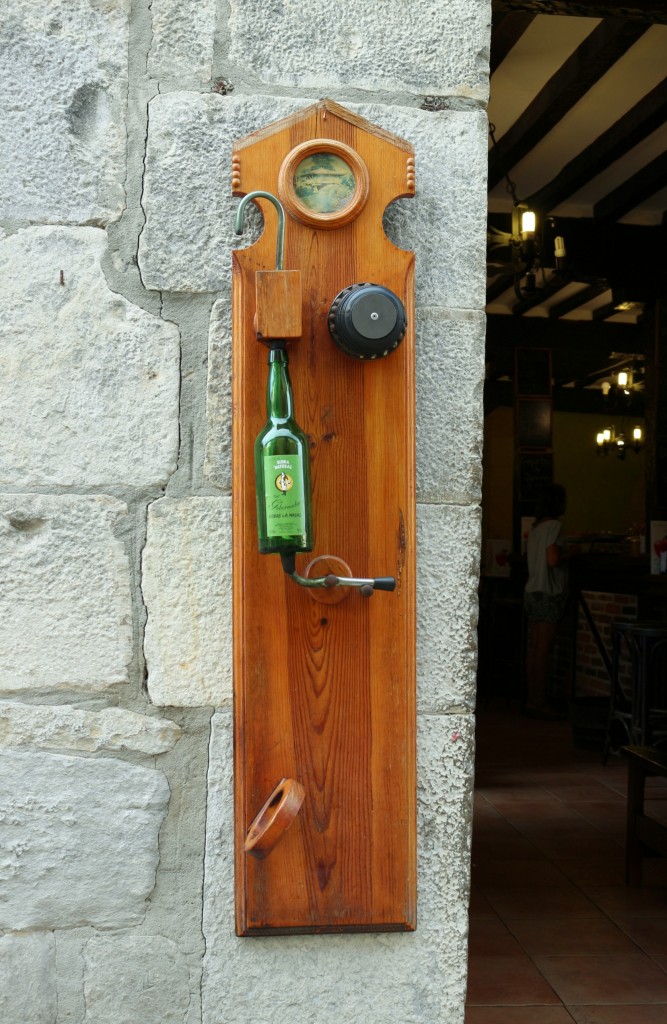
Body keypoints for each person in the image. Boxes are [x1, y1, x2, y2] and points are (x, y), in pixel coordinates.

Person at [524, 483, 569, 718]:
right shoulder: (555, 526)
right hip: (548, 593)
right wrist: (575, 552)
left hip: (532, 592)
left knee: (534, 650)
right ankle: (539, 703)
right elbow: (553, 560)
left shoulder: (536, 527)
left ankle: (532, 700)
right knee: (543, 649)